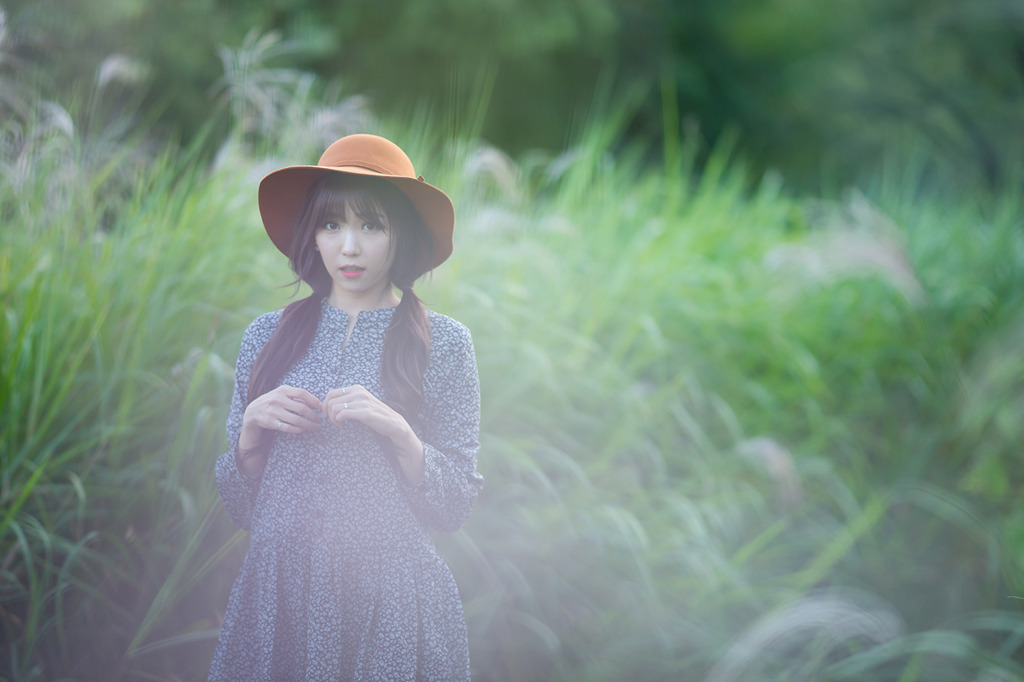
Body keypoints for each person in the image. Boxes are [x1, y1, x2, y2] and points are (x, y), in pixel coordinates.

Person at [208, 134, 484, 681]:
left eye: (371, 226)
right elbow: (239, 508)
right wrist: (250, 439)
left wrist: (402, 435)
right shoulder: (267, 336)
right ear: (312, 232)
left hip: (390, 604)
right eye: (332, 225)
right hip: (277, 598)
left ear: (401, 233)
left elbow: (454, 506)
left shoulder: (446, 344)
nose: (349, 248)